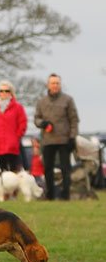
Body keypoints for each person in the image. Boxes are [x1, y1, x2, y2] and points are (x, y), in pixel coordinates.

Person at [34, 73, 79, 201]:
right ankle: (50, 195)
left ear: (60, 84)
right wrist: (42, 123)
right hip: (48, 140)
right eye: (53, 83)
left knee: (65, 168)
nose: (55, 85)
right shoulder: (41, 101)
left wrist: (72, 137)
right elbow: (36, 118)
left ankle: (66, 195)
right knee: (48, 169)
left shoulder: (68, 100)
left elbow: (74, 120)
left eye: (57, 83)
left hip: (65, 140)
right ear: (48, 85)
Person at [0, 81, 27, 173]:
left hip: (12, 146)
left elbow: (22, 124)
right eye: (1, 91)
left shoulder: (18, 107)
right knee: (3, 171)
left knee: (14, 171)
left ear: (11, 92)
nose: (3, 93)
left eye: (6, 91)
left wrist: (16, 137)